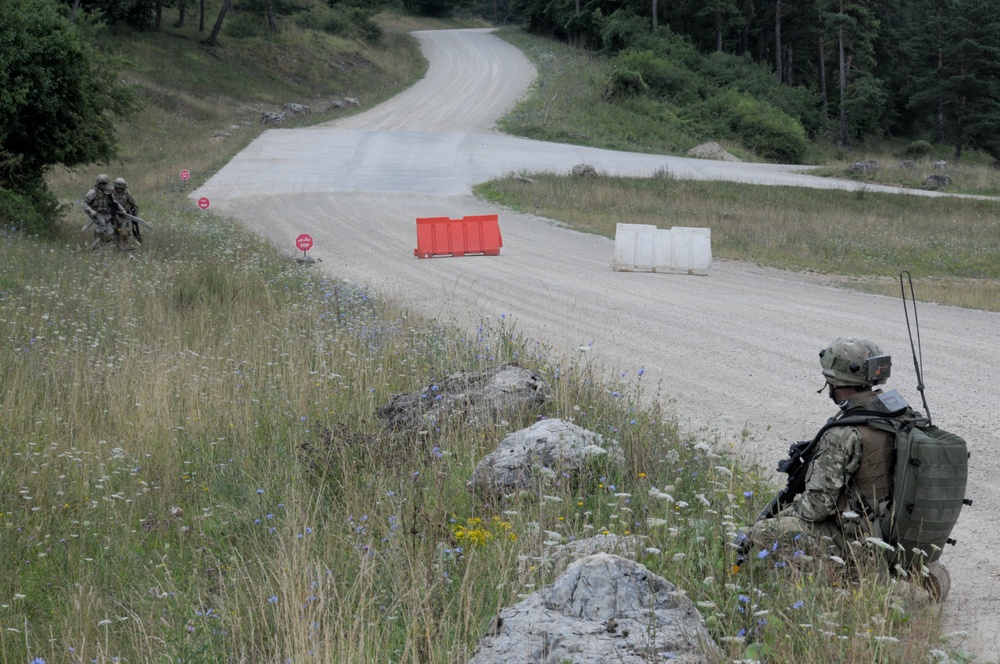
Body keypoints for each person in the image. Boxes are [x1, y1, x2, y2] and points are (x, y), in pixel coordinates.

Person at [749, 337, 911, 563]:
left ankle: (835, 579)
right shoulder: (901, 415)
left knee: (764, 531)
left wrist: (778, 515)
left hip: (859, 538)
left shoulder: (843, 433)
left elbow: (816, 507)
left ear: (835, 381)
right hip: (897, 529)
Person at [82, 173, 120, 247]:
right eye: (102, 183)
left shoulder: (109, 192)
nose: (104, 185)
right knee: (101, 231)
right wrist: (91, 210)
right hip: (98, 214)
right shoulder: (93, 192)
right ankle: (97, 248)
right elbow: (84, 203)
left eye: (106, 183)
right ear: (98, 183)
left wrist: (121, 210)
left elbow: (114, 202)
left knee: (110, 233)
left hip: (107, 215)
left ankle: (94, 247)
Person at [111, 177, 141, 244]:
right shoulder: (110, 193)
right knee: (114, 233)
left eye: (121, 188)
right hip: (113, 217)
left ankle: (125, 247)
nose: (119, 190)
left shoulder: (126, 194)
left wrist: (135, 214)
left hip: (124, 216)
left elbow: (134, 204)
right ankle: (117, 248)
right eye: (118, 188)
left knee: (124, 234)